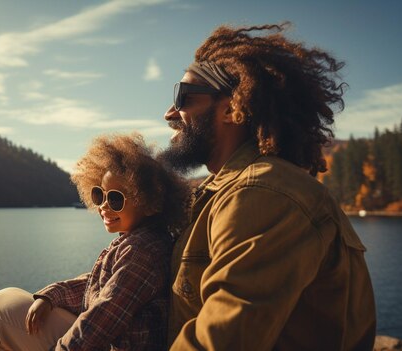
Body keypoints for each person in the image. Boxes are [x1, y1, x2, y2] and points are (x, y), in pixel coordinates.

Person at [159, 23, 377, 350]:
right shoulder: (222, 192)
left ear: (231, 109)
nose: (170, 113)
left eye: (184, 97)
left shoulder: (263, 194)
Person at [0, 133, 189, 350]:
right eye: (99, 194)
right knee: (4, 302)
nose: (104, 206)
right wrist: (51, 296)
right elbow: (97, 285)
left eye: (115, 198)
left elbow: (106, 314)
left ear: (150, 203)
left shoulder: (142, 251)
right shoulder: (142, 241)